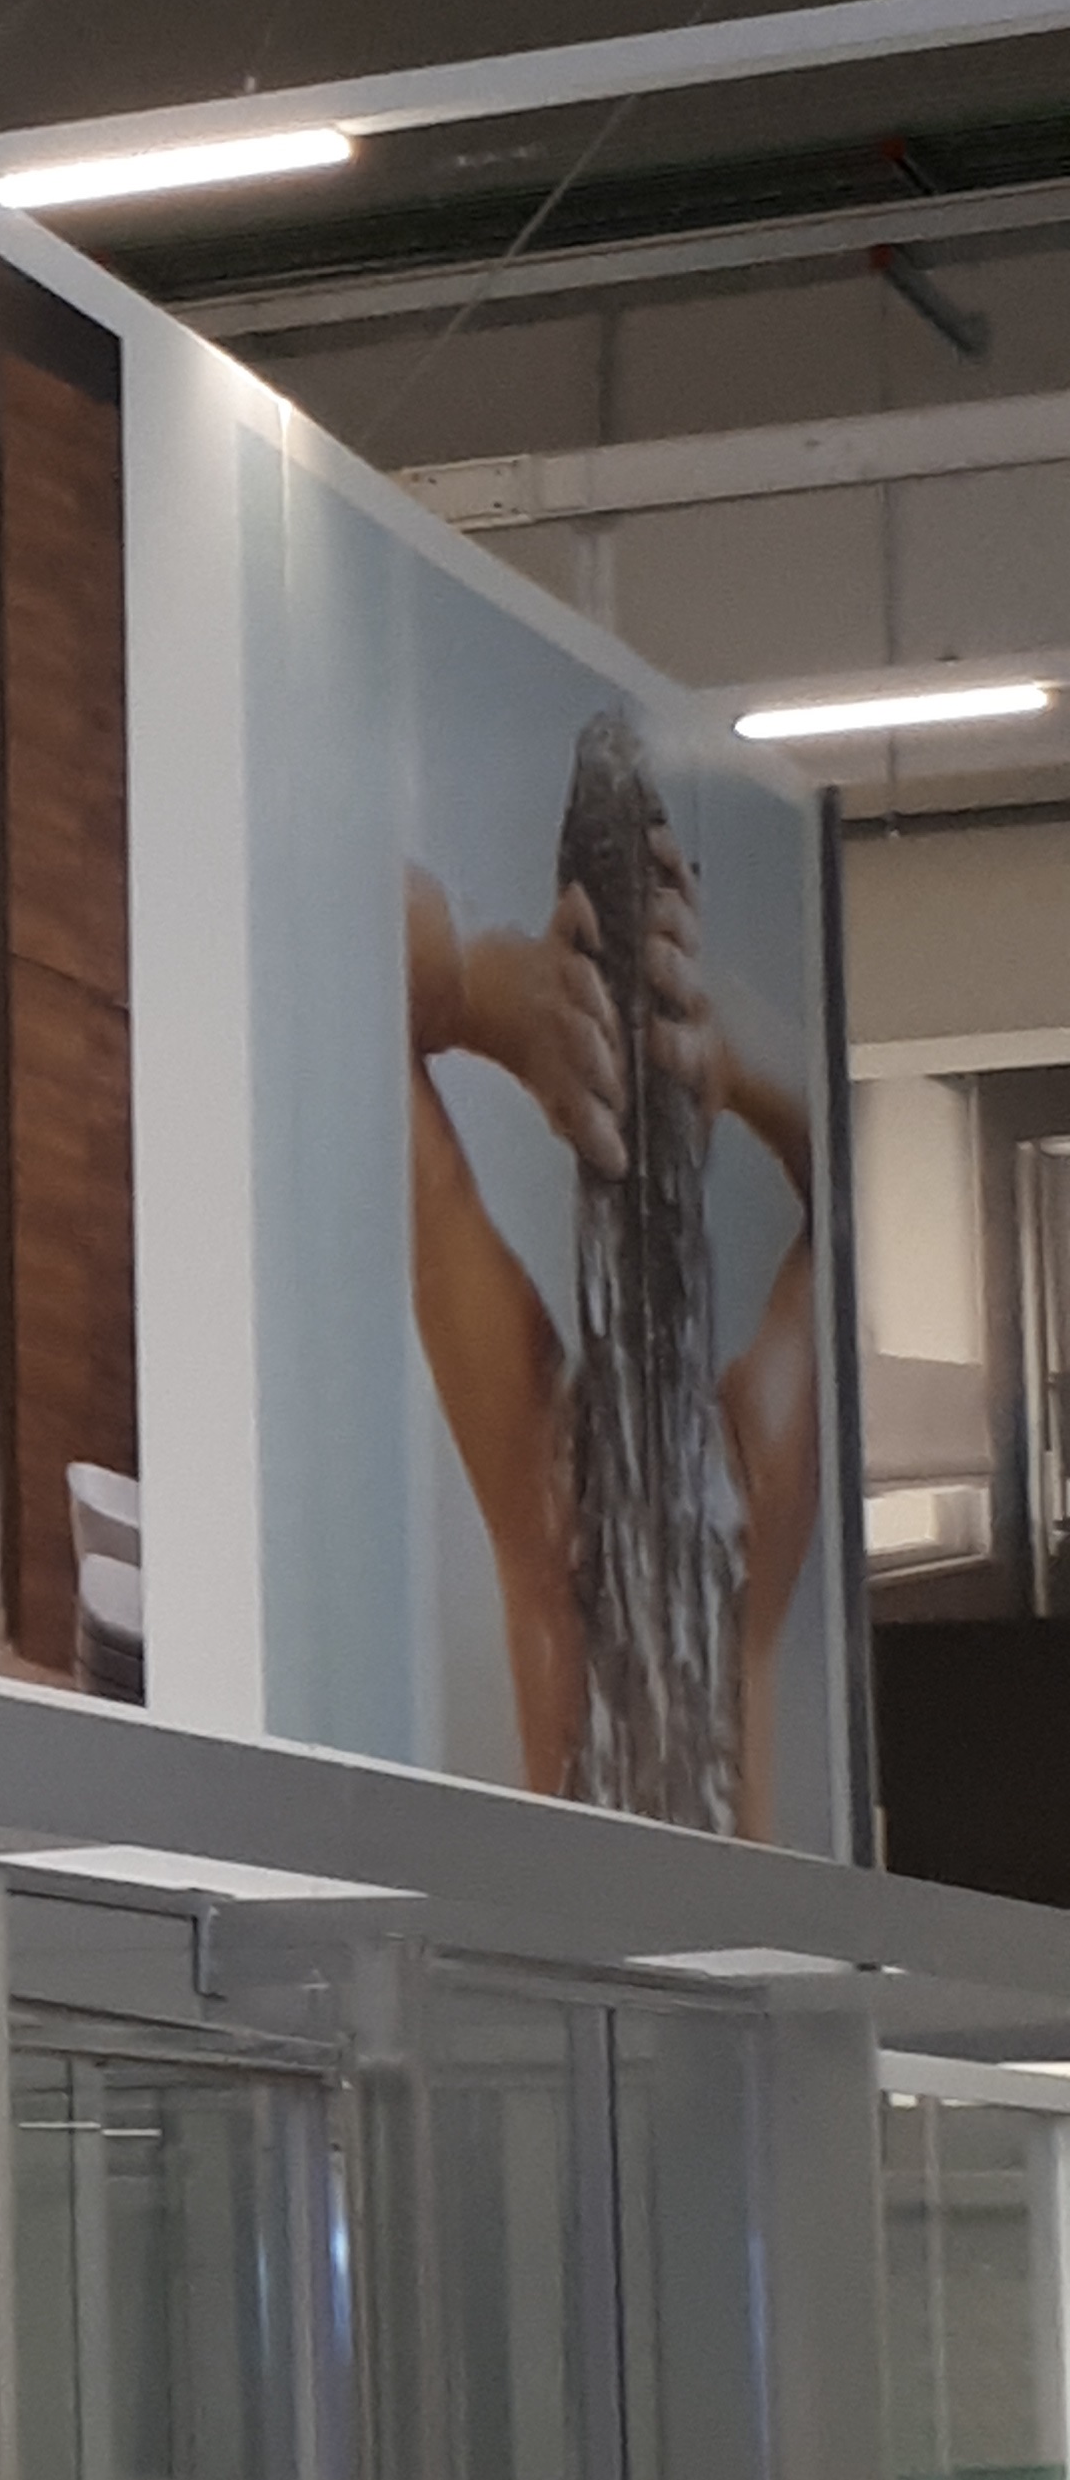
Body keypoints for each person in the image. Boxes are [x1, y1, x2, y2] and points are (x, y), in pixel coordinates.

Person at [404, 752, 818, 1836]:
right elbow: (314, 925)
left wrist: (731, 1044)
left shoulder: (700, 1478)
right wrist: (492, 987)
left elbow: (850, 1173)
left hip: (673, 1942)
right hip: (605, 1941)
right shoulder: (568, 1472)